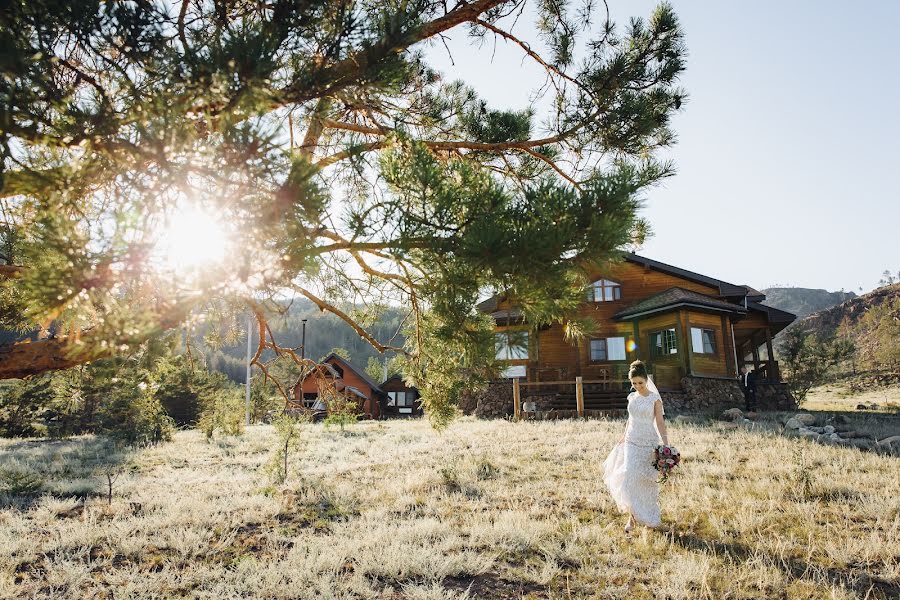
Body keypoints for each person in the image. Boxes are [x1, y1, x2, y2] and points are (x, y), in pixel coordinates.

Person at [602, 360, 669, 533]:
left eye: (640, 382)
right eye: (634, 383)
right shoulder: (631, 397)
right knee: (629, 477)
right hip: (631, 441)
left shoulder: (655, 399)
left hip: (648, 442)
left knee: (646, 481)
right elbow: (630, 419)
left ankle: (649, 518)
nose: (637, 386)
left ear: (646, 380)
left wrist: (666, 443)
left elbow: (660, 422)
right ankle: (632, 518)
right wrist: (623, 436)